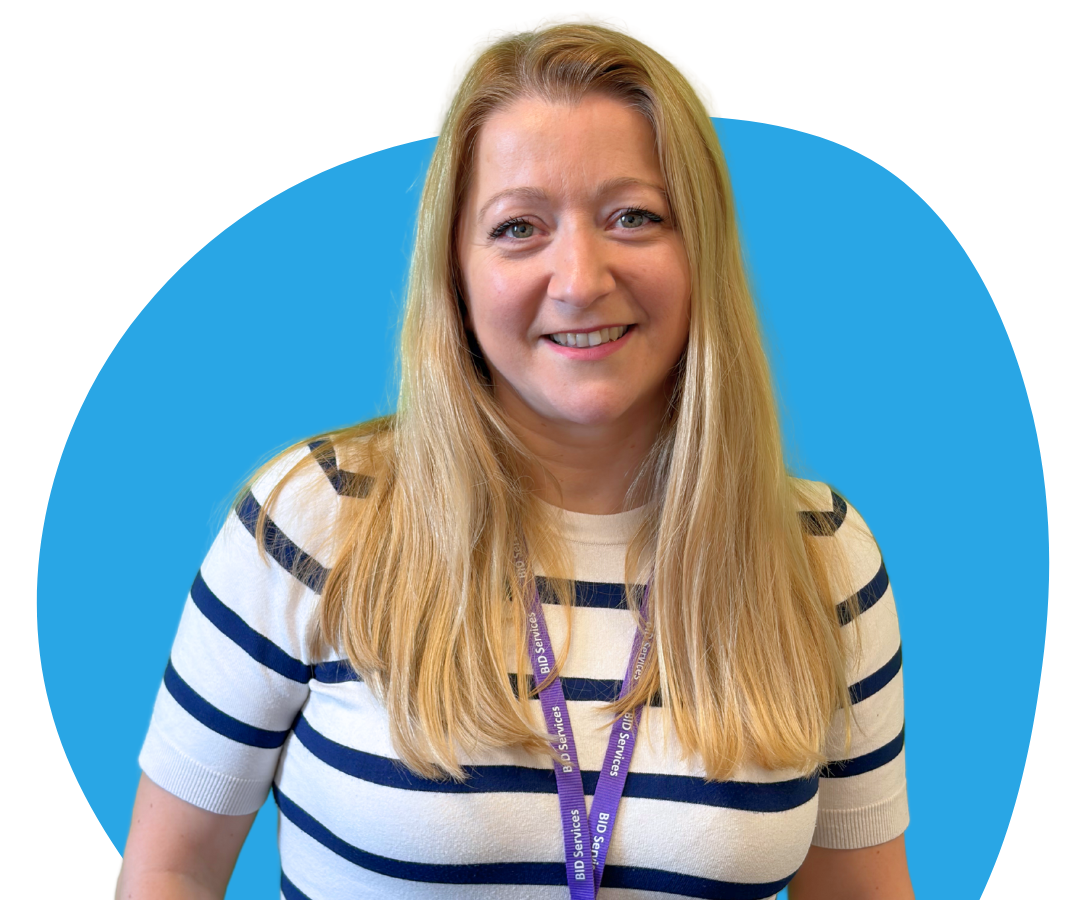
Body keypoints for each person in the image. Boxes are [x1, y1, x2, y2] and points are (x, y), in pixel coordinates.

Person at [116, 23, 914, 900]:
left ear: (703, 253)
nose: (578, 277)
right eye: (519, 227)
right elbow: (172, 871)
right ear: (455, 271)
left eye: (634, 216)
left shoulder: (821, 556)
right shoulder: (317, 519)